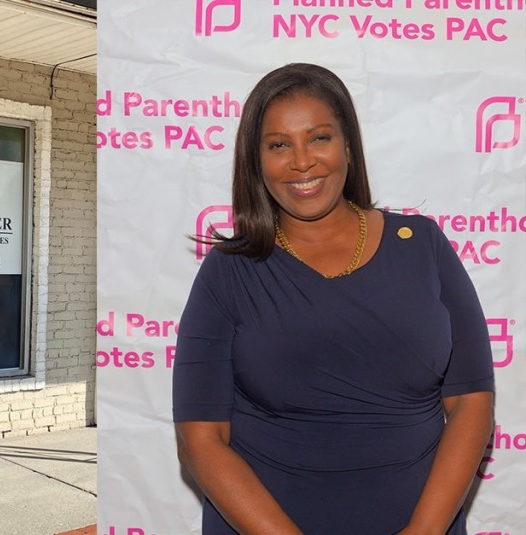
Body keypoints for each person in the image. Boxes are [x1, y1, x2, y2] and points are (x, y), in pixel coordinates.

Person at [172, 63, 495, 534]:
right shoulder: (229, 269)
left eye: (319, 138)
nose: (302, 161)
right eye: (279, 145)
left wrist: (422, 531)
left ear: (347, 144)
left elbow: (471, 401)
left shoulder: (423, 245)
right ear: (257, 160)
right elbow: (200, 439)